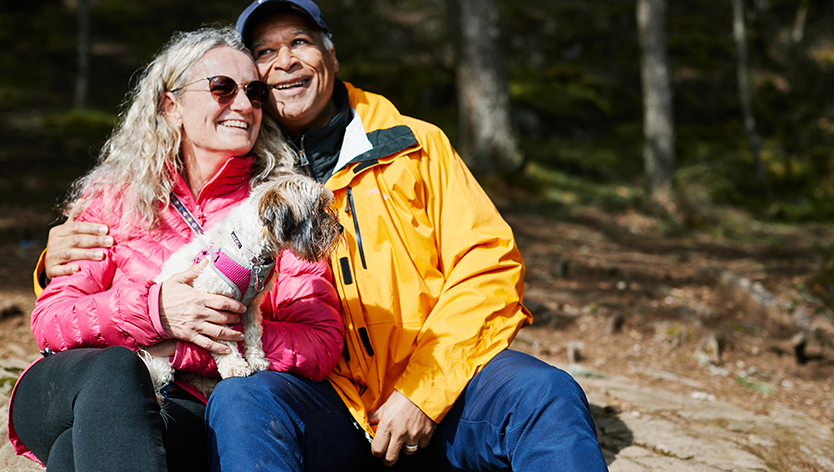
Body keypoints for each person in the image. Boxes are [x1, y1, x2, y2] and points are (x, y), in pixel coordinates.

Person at [34, 1, 609, 471]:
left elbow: (488, 267)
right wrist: (61, 263)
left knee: (546, 396)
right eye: (263, 54)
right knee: (238, 403)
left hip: (441, 381)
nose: (282, 63)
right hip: (322, 402)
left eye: (300, 42)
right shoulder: (251, 185)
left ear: (330, 51)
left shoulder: (414, 146)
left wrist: (424, 391)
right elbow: (93, 281)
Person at [9, 26, 343, 472]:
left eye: (256, 92)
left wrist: (204, 337)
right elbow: (51, 321)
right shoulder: (115, 198)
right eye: (222, 88)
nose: (243, 105)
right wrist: (155, 312)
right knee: (116, 373)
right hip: (70, 386)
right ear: (171, 106)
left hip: (180, 404)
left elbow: (321, 343)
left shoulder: (279, 212)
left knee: (80, 451)